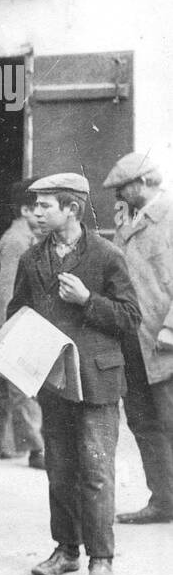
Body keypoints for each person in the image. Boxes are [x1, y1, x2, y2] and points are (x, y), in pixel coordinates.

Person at [12, 173, 140, 575]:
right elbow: (18, 313)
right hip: (54, 379)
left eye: (45, 205)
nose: (35, 212)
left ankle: (100, 558)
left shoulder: (106, 255)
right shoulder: (31, 260)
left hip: (97, 381)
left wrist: (88, 300)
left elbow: (129, 318)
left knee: (97, 472)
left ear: (72, 208)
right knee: (60, 469)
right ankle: (66, 550)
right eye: (34, 205)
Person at [105, 152, 173, 525]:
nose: (118, 194)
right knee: (144, 423)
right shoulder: (128, 220)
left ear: (145, 182)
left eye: (123, 187)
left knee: (171, 421)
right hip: (134, 340)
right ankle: (163, 500)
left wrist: (170, 329)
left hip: (165, 342)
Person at [0, 178, 47, 468]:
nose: (43, 213)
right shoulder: (16, 241)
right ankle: (38, 449)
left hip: (12, 323)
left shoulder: (27, 238)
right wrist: (11, 329)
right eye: (38, 207)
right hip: (14, 324)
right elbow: (6, 290)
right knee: (23, 386)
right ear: (23, 210)